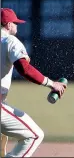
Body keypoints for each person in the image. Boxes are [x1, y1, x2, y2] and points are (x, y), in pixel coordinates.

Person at [1, 8, 67, 157]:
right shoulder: (9, 40)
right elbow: (24, 69)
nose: (17, 26)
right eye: (16, 23)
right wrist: (52, 84)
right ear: (9, 24)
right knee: (34, 135)